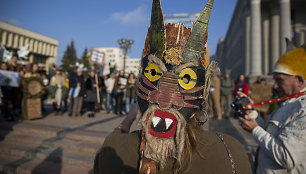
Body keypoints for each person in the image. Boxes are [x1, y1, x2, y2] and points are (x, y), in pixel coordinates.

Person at [94, 0, 252, 173]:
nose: (165, 100)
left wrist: (127, 120)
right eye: (154, 73)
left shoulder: (115, 150)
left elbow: (111, 145)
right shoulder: (230, 151)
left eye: (186, 78)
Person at [239, 45, 306, 174]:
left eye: (280, 80)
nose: (274, 86)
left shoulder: (303, 109)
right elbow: (270, 133)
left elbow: (287, 157)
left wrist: (255, 130)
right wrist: (252, 113)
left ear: (299, 81)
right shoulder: (289, 102)